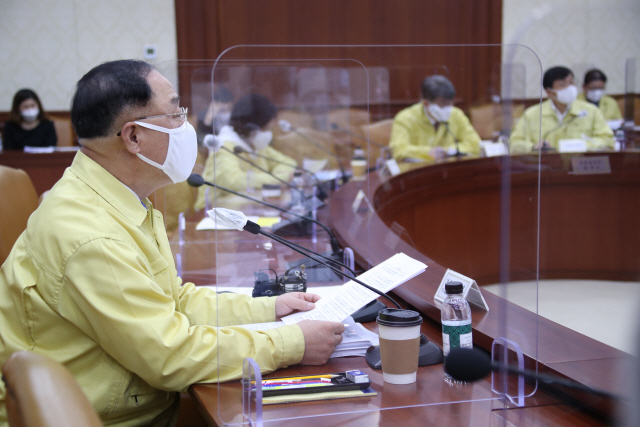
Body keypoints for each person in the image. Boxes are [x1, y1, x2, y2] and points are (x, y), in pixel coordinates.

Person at [0, 60, 344, 426]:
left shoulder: (115, 197)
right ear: (134, 137)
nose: (187, 126)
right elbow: (169, 355)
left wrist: (270, 308)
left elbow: (172, 300)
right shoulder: (90, 234)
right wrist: (293, 343)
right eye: (176, 113)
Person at [195, 93, 298, 211]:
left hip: (247, 211)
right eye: (267, 129)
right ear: (251, 128)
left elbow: (288, 163)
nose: (269, 134)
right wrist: (279, 179)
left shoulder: (255, 145)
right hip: (213, 216)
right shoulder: (224, 147)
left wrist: (281, 175)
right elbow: (235, 181)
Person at [509, 66, 614, 154]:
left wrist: (579, 146)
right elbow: (515, 143)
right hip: (546, 169)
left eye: (571, 83)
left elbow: (608, 140)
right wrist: (533, 147)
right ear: (550, 92)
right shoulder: (532, 114)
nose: (570, 88)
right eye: (563, 85)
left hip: (581, 168)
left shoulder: (590, 111)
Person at [389, 75, 481, 162]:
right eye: (441, 104)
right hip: (418, 172)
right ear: (426, 103)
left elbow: (475, 144)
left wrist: (447, 151)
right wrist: (427, 152)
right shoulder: (405, 118)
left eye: (449, 103)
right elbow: (398, 150)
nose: (446, 108)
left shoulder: (457, 115)